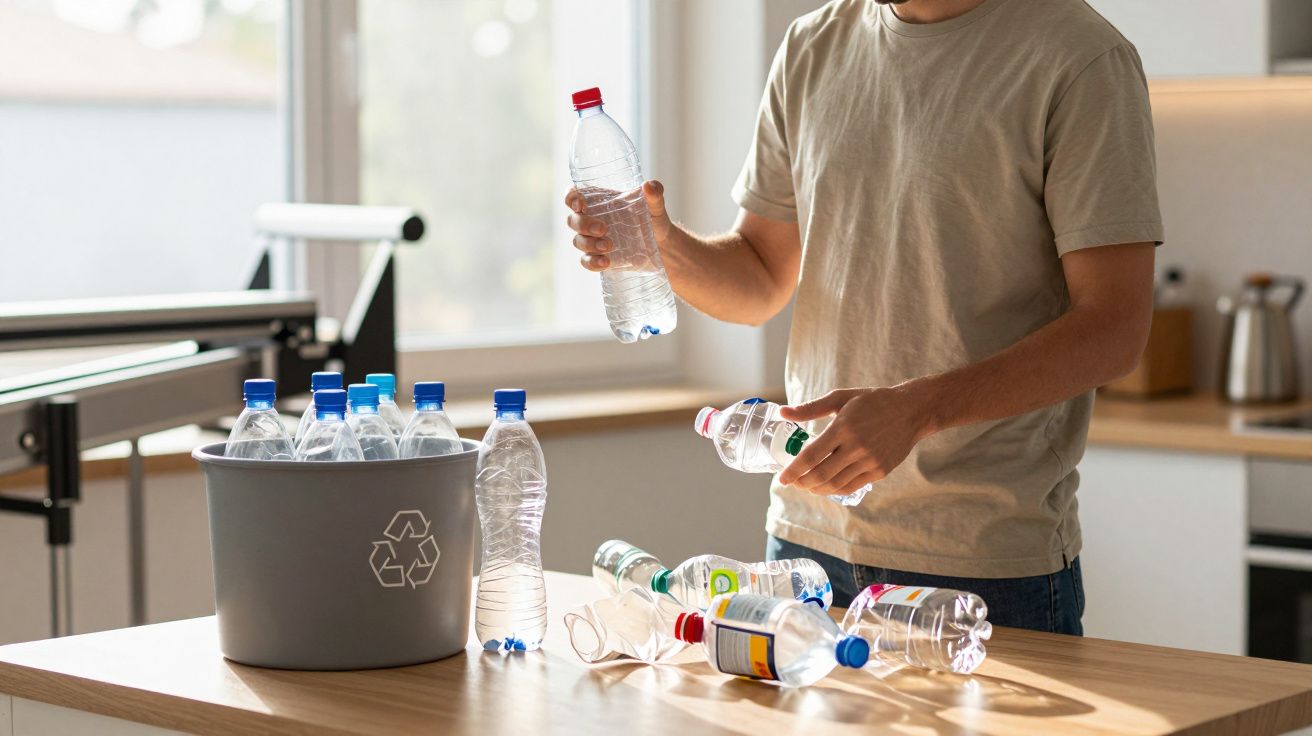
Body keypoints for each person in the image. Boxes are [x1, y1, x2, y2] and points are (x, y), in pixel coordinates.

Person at [565, 0, 1162, 634]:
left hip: (983, 561)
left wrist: (917, 410)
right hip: (805, 543)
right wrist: (663, 246)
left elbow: (1115, 327)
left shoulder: (1079, 56)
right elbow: (761, 278)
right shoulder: (812, 46)